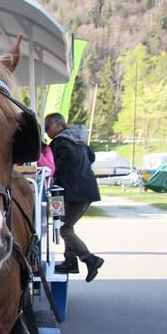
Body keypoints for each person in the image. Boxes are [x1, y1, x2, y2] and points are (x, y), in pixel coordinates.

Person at [44, 112, 105, 282]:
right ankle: (70, 261)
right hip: (77, 191)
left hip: (74, 193)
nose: (46, 132)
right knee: (64, 224)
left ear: (58, 124)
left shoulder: (61, 142)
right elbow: (91, 156)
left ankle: (90, 259)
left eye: (47, 127)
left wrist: (57, 173)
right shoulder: (77, 140)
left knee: (64, 228)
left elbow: (63, 161)